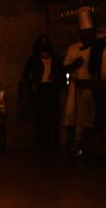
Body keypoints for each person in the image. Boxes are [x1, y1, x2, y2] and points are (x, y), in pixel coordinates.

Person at [22, 34, 65, 149]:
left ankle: (49, 142)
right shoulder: (34, 58)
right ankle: (41, 142)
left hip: (51, 90)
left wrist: (54, 77)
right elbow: (26, 74)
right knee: (40, 116)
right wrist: (33, 85)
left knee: (50, 116)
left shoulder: (55, 59)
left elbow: (62, 73)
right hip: (39, 90)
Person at [63, 8, 96, 148]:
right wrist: (75, 65)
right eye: (86, 33)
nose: (89, 36)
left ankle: (88, 143)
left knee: (89, 114)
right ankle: (74, 143)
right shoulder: (73, 49)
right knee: (73, 114)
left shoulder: (97, 47)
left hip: (92, 85)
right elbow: (65, 69)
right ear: (81, 34)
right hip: (76, 86)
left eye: (91, 33)